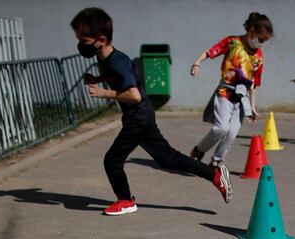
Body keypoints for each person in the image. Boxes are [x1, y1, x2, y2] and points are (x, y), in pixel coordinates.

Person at [70, 8, 232, 216]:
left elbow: (134, 94)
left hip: (137, 117)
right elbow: (120, 76)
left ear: (100, 39)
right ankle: (215, 175)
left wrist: (104, 92)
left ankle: (126, 201)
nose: (80, 45)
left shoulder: (115, 60)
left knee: (112, 161)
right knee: (167, 158)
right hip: (141, 115)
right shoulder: (109, 57)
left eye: (83, 40)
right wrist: (98, 79)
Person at [189, 12, 273, 167]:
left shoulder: (259, 56)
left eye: (264, 41)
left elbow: (253, 83)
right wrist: (197, 63)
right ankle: (198, 151)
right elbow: (210, 52)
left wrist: (252, 107)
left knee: (232, 132)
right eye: (260, 39)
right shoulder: (233, 42)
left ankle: (216, 161)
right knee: (221, 128)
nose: (261, 43)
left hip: (242, 98)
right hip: (225, 92)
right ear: (251, 31)